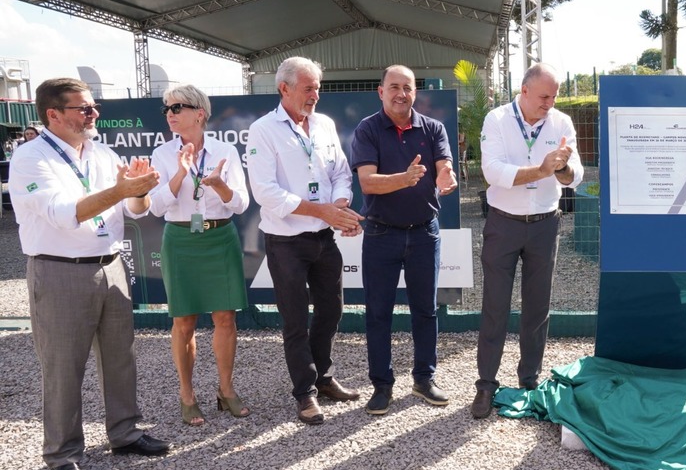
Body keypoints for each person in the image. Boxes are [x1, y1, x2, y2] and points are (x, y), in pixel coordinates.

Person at [9, 78, 170, 470]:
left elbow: (133, 209)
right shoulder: (30, 157)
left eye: (93, 107)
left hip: (111, 264)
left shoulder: (101, 151)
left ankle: (125, 433)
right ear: (54, 115)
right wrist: (120, 189)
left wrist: (138, 192)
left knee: (121, 358)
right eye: (84, 109)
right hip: (60, 270)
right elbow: (64, 214)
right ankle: (63, 456)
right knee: (63, 368)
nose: (93, 114)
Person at [246, 57, 365, 426]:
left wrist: (340, 206)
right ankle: (305, 393)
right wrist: (323, 211)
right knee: (296, 319)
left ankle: (323, 376)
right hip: (286, 242)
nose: (316, 95)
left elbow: (341, 173)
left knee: (331, 311)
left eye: (318, 87)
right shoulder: (263, 130)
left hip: (323, 238)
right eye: (308, 87)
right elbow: (266, 192)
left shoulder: (325, 125)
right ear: (284, 88)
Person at [471, 62, 582, 419]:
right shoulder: (497, 120)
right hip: (503, 223)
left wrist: (562, 168)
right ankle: (486, 384)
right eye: (544, 97)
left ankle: (529, 380)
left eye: (554, 96)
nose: (549, 103)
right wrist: (541, 170)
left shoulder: (561, 122)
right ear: (524, 91)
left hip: (545, 224)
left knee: (538, 307)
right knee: (495, 305)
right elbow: (494, 173)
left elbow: (574, 174)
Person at [350, 65, 458, 415]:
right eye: (393, 87)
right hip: (381, 234)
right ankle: (382, 386)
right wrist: (406, 178)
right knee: (378, 314)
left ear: (415, 92)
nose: (401, 93)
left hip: (425, 232)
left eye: (407, 87)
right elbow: (367, 182)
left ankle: (424, 379)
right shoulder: (367, 130)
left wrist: (447, 176)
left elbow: (444, 164)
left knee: (425, 311)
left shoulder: (433, 128)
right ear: (381, 92)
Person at [148, 85, 251, 426]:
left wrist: (219, 184)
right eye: (167, 108)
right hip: (180, 240)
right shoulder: (162, 154)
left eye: (178, 107)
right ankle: (187, 394)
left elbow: (241, 203)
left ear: (200, 113)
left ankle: (226, 390)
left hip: (220, 237)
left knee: (225, 318)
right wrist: (180, 172)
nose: (170, 114)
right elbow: (155, 206)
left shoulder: (226, 151)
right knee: (184, 321)